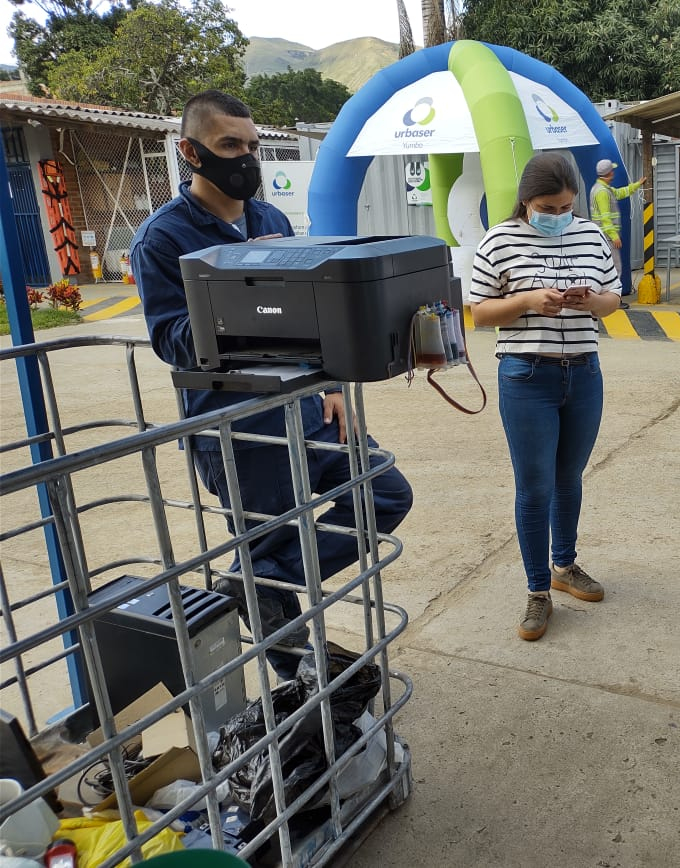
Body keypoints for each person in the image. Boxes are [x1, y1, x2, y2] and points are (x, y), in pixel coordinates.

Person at [131, 90, 413, 680]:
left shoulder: (272, 221)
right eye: (229, 145)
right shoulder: (163, 239)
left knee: (385, 494)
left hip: (307, 410)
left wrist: (332, 381)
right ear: (191, 153)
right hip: (237, 429)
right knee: (270, 553)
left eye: (253, 145)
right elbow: (173, 340)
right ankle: (302, 695)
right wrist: (239, 287)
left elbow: (313, 319)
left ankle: (259, 584)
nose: (246, 158)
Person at [469, 152, 623, 641]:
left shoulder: (591, 235)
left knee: (569, 478)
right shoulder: (499, 240)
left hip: (583, 373)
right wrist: (527, 302)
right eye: (546, 207)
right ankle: (538, 591)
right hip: (526, 377)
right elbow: (478, 313)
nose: (557, 217)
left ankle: (565, 565)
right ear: (525, 200)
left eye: (564, 207)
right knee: (534, 487)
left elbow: (614, 300)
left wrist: (589, 301)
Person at [589, 157, 643, 309]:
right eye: (612, 171)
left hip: (603, 236)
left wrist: (637, 185)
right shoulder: (601, 192)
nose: (613, 173)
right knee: (615, 268)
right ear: (608, 174)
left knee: (607, 267)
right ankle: (613, 300)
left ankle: (606, 298)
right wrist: (614, 236)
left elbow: (620, 193)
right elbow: (605, 218)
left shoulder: (604, 189)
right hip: (606, 236)